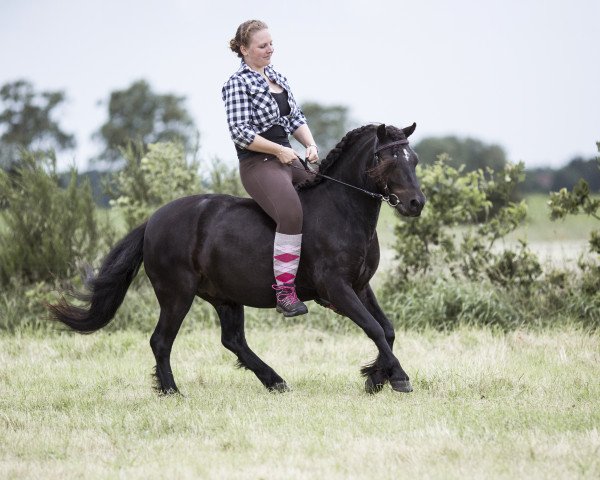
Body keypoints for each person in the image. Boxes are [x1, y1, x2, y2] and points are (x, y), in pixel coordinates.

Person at [222, 19, 319, 318]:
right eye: (262, 46)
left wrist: (310, 145)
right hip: (259, 162)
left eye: (271, 44)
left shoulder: (278, 77)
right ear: (244, 49)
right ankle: (285, 293)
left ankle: (323, 281)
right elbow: (240, 131)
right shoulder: (237, 83)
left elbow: (294, 118)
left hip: (288, 156)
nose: (270, 50)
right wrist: (278, 150)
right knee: (291, 212)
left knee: (323, 201)